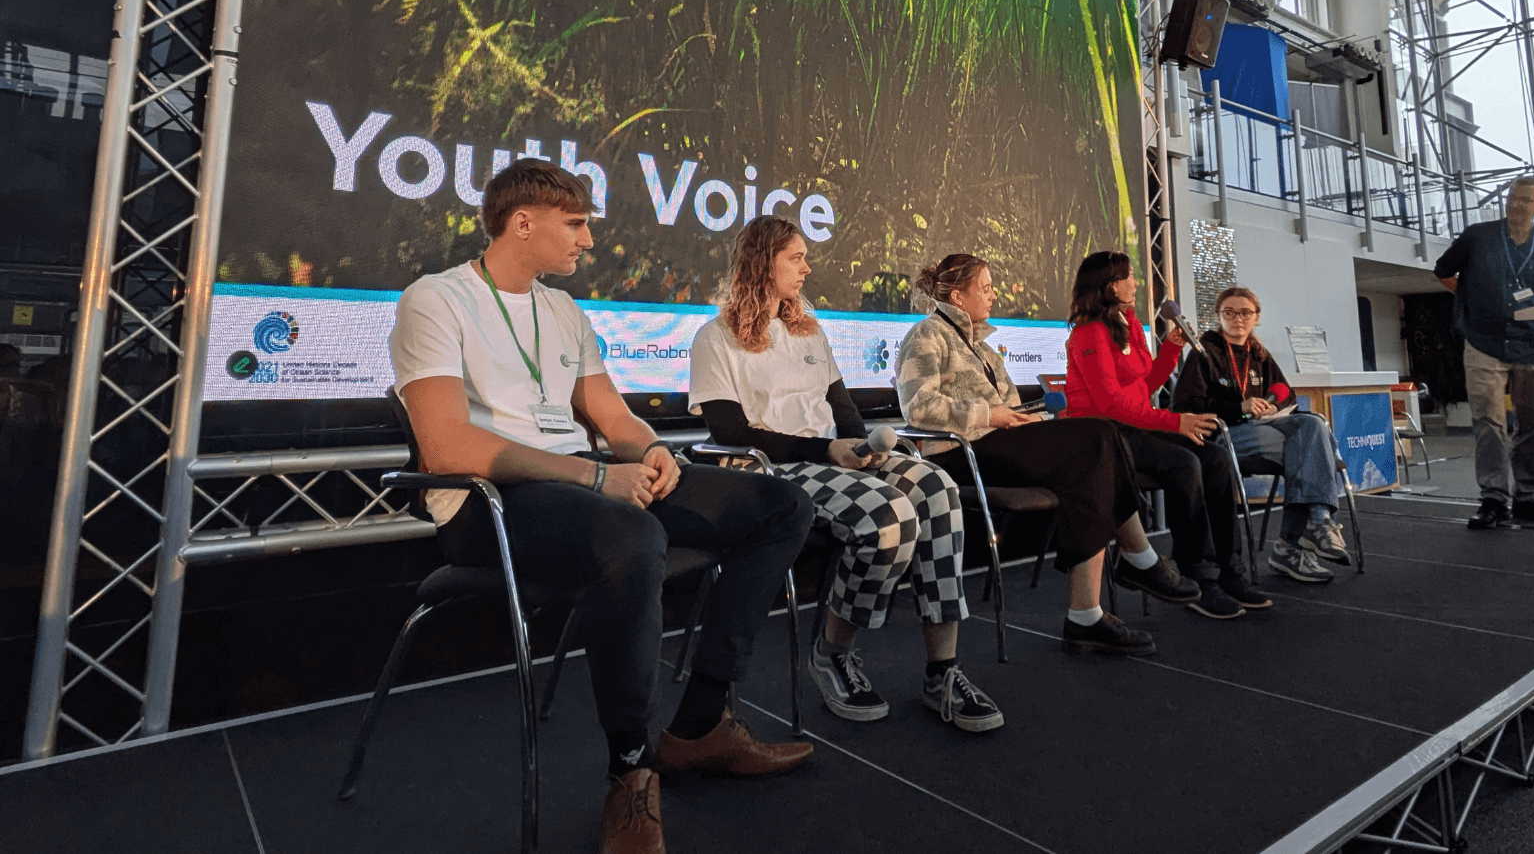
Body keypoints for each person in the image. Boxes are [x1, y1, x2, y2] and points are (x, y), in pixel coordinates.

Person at [390, 160, 816, 854]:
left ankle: (700, 724)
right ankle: (630, 769)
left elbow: (613, 417)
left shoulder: (563, 310)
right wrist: (594, 477)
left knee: (781, 505)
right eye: (576, 224)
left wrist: (650, 450)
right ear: (521, 223)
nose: (588, 240)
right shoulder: (434, 300)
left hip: (584, 486)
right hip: (487, 505)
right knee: (631, 536)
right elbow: (445, 447)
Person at [688, 216, 1004, 733]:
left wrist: (861, 448)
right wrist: (827, 450)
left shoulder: (808, 330)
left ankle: (942, 671)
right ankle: (833, 652)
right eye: (796, 258)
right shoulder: (715, 338)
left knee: (937, 488)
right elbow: (729, 432)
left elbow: (844, 410)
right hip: (771, 471)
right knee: (889, 514)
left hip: (829, 456)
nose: (807, 268)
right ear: (762, 262)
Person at [897, 254, 1220, 650]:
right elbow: (918, 407)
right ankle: (1140, 559)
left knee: (1091, 463)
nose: (994, 296)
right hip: (958, 455)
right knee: (1098, 435)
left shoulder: (985, 349)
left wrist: (1023, 419)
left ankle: (1085, 616)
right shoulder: (927, 335)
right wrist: (991, 414)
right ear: (958, 297)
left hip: (997, 446)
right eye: (986, 288)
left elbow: (1010, 406)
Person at [1060, 250, 1269, 619]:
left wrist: (1172, 349)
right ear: (1111, 286)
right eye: (1129, 276)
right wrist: (1175, 422)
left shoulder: (1128, 324)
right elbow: (1109, 403)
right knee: (1184, 463)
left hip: (1136, 425)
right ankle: (1199, 578)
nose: (1135, 282)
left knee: (1216, 457)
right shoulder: (1088, 334)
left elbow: (1146, 386)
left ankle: (1229, 570)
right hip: (1104, 436)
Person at [1171, 286, 1350, 583]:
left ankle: (1314, 524)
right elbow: (1185, 406)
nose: (1237, 318)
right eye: (1229, 312)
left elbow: (1286, 393)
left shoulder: (1259, 354)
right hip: (1226, 435)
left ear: (1256, 317)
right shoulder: (1204, 353)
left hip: (1266, 429)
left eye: (1245, 312)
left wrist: (1273, 406)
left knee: (1313, 427)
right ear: (1218, 316)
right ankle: (1296, 542)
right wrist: (1238, 408)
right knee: (1311, 450)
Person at [1433, 176, 1534, 530]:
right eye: (1513, 197)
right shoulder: (1478, 236)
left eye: (1526, 200)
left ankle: (1528, 497)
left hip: (1533, 343)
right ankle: (1493, 499)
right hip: (1484, 342)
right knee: (1489, 423)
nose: (1516, 204)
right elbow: (1443, 270)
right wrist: (1469, 300)